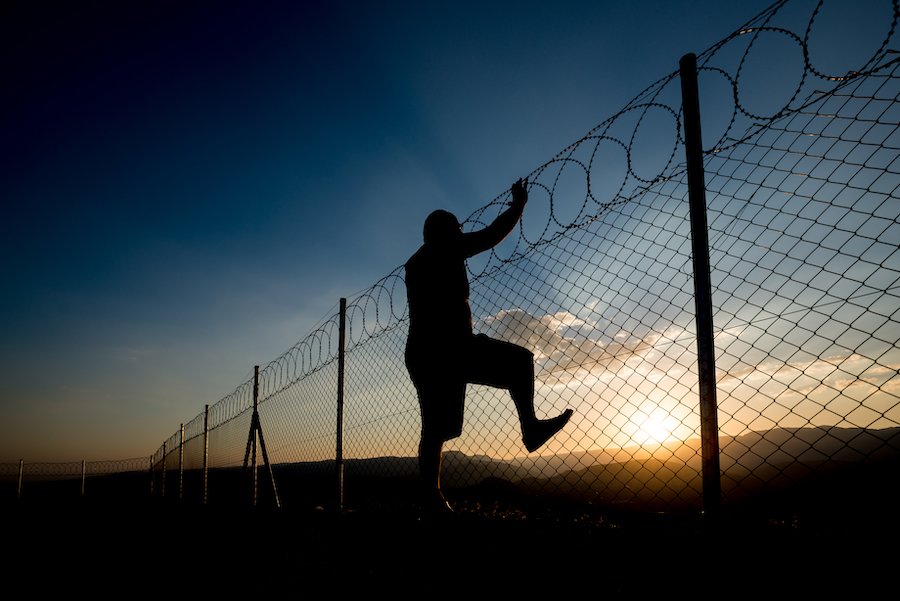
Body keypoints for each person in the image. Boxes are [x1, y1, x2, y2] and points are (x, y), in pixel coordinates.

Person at [404, 178, 574, 515]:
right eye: (456, 227)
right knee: (519, 362)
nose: (460, 232)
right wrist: (519, 205)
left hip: (426, 352)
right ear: (443, 231)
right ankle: (531, 429)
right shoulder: (444, 249)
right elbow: (491, 235)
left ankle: (432, 497)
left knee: (439, 428)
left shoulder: (417, 261)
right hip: (448, 349)